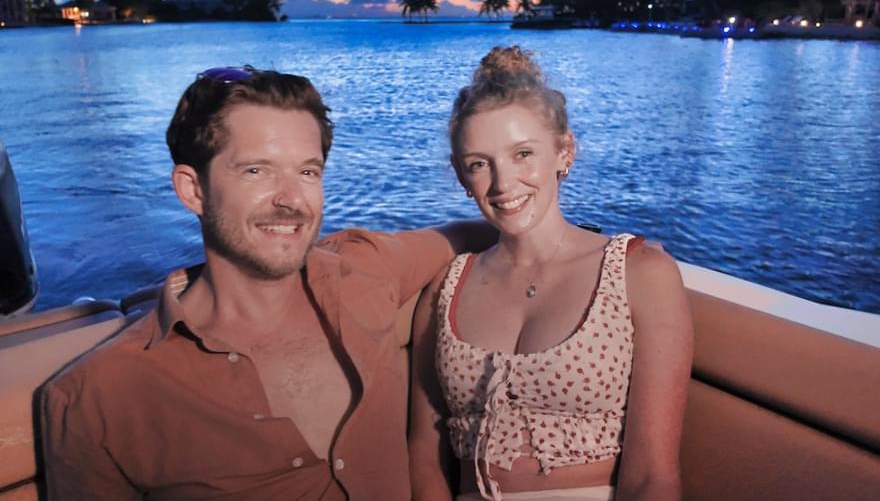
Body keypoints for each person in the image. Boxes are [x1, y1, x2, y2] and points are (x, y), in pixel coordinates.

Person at [40, 66, 493, 500]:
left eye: (307, 171)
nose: (291, 200)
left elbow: (475, 232)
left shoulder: (363, 268)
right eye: (256, 170)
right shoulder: (99, 396)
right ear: (192, 189)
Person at [408, 47, 693, 501]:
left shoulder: (639, 275)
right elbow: (426, 464)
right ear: (462, 176)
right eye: (480, 164)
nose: (503, 184)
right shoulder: (444, 289)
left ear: (565, 152)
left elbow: (652, 479)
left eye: (523, 154)